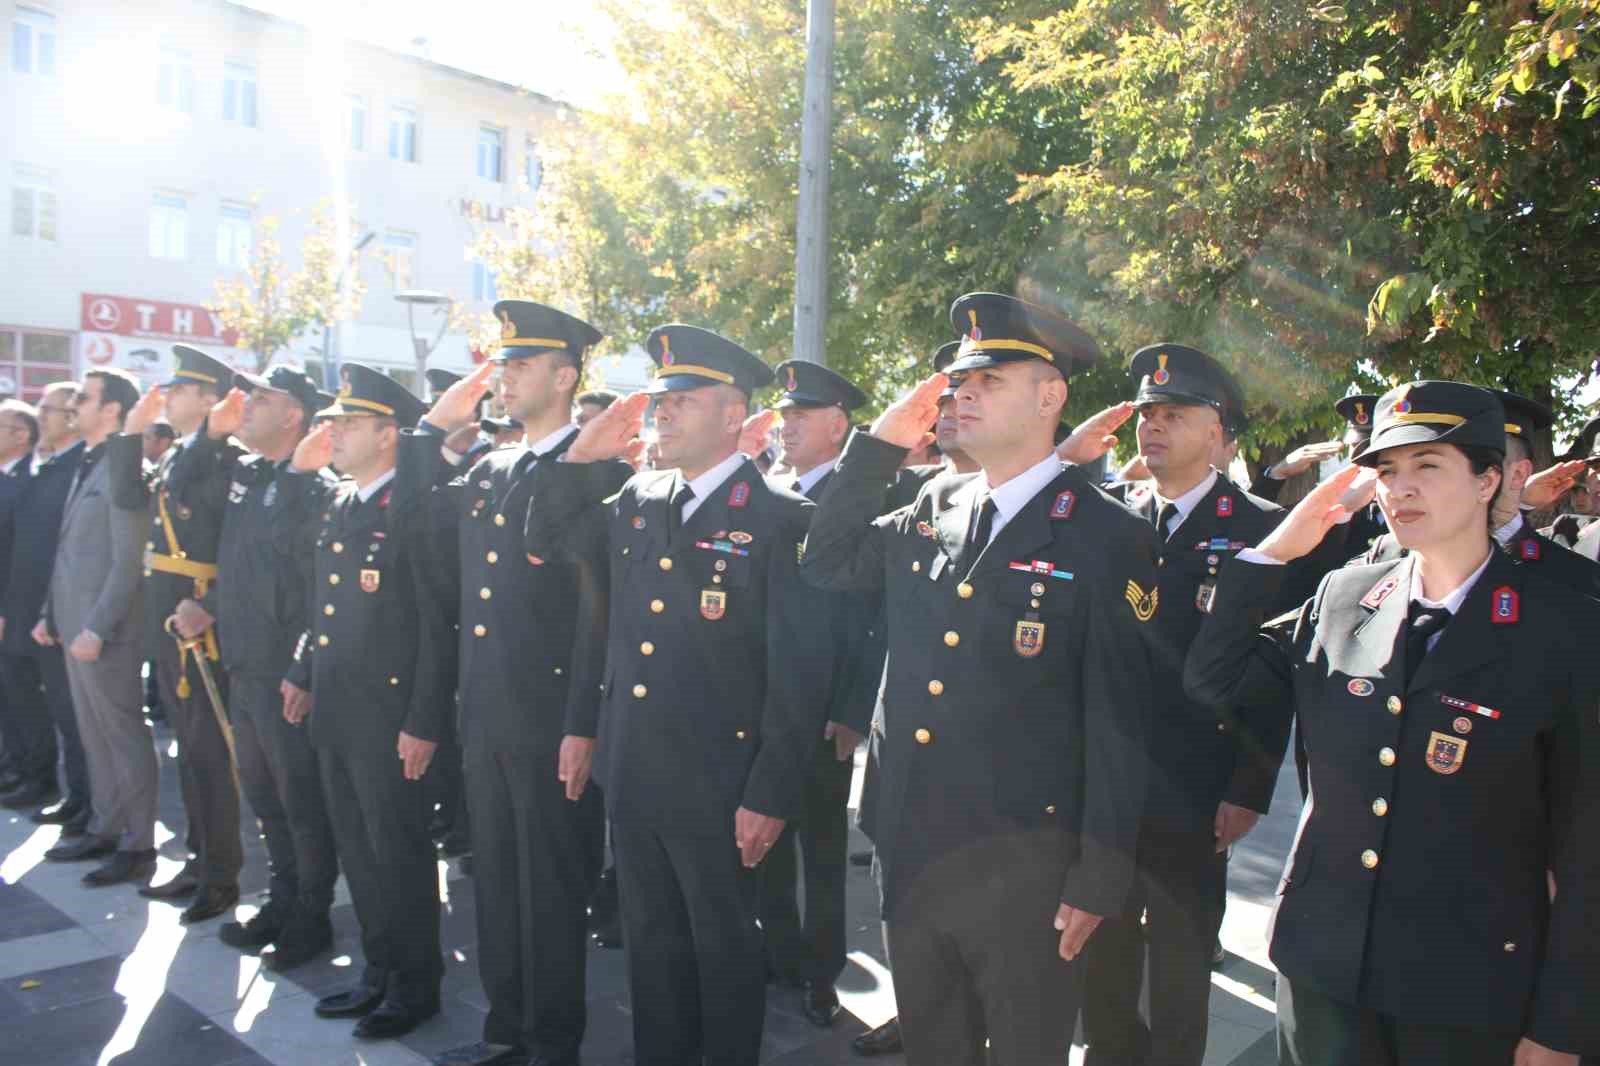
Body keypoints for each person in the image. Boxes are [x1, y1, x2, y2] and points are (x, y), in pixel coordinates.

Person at [1185, 381, 1599, 1066]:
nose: (1399, 488)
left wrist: (1562, 1026)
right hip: (1323, 971)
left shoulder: (1566, 629)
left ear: (1487, 479)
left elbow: (1586, 847)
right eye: (1386, 471)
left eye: (1427, 466)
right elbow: (1212, 682)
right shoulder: (1344, 597)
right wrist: (1274, 554)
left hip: (1464, 989)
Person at [801, 292, 1156, 1066]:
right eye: (957, 384)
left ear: (1050, 396)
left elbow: (1123, 722)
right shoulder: (935, 501)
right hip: (914, 840)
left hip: (1027, 863)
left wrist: (1100, 876)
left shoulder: (1108, 535)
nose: (961, 396)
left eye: (986, 382)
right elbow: (825, 562)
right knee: (935, 1047)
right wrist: (879, 446)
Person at [524, 324, 834, 1066]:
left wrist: (770, 792)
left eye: (683, 401)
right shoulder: (637, 496)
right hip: (635, 770)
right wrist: (581, 452)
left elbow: (800, 676)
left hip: (721, 783)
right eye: (660, 399)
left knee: (724, 949)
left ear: (734, 417)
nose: (662, 412)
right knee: (651, 948)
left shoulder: (782, 520)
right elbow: (550, 542)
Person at [400, 301, 621, 1066]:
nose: (504, 375)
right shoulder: (489, 469)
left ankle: (553, 1041)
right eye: (503, 362)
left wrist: (583, 722)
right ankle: (508, 1030)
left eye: (521, 365)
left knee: (552, 890)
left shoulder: (597, 474)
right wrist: (432, 431)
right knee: (494, 882)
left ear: (565, 377)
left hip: (553, 720)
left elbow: (601, 616)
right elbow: (413, 526)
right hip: (486, 716)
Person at [1078, 344, 1296, 1066]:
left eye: (1176, 414)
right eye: (1147, 414)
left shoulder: (1262, 527)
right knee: (1104, 959)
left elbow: (1270, 674)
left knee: (1179, 967)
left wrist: (1247, 789)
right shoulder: (1114, 518)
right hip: (1110, 783)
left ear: (1219, 434)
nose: (1154, 427)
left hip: (1198, 787)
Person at [285, 363, 448, 1040]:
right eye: (333, 422)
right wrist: (303, 669)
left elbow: (438, 627)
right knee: (358, 849)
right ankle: (378, 970)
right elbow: (321, 607)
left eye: (349, 424)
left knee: (399, 855)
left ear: (389, 435)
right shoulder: (342, 501)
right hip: (340, 711)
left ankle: (415, 985)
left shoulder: (412, 510)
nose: (335, 434)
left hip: (391, 718)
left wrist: (423, 720)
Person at [173, 365, 341, 970]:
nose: (246, 405)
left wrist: (306, 671)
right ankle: (283, 900)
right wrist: (210, 607)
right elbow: (180, 486)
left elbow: (316, 589)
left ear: (294, 414)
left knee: (301, 804)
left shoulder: (315, 488)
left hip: (285, 673)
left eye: (261, 398)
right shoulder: (245, 472)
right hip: (242, 664)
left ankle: (310, 917)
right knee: (266, 801)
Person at [759, 358, 874, 1029]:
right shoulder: (770, 491)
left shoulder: (859, 500)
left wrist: (853, 709)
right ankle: (777, 951)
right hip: (768, 705)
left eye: (800, 416)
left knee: (822, 850)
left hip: (826, 707)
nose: (786, 426)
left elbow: (873, 619)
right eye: (783, 415)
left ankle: (821, 972)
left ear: (838, 426)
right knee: (765, 839)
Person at [112, 346, 243, 922]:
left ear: (212, 400)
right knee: (188, 751)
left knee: (210, 752)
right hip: (167, 620)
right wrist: (128, 435)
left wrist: (209, 605)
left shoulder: (220, 459)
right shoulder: (180, 456)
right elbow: (125, 497)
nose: (169, 394)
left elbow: (235, 549)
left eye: (183, 389)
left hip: (198, 621)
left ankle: (221, 876)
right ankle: (198, 862)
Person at [36, 369, 158, 887]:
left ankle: (138, 842)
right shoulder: (93, 463)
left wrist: (98, 626)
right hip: (74, 622)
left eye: (83, 399)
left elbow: (129, 562)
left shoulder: (122, 468)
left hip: (105, 631)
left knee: (122, 734)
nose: (73, 406)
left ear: (112, 411)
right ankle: (107, 827)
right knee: (93, 734)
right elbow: (69, 549)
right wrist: (49, 612)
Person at [1358, 389, 1600, 598]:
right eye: (1388, 471)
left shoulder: (1573, 577)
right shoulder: (1385, 554)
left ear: (1515, 475)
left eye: (1428, 466)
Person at [10, 384, 90, 837]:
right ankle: (64, 792)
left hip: (60, 612)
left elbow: (65, 551)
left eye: (50, 408)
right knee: (52, 709)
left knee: (73, 716)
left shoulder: (78, 467)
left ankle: (84, 801)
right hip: (32, 608)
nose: (43, 416)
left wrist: (51, 611)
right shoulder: (49, 467)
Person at [0, 400, 54, 811]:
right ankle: (14, 766)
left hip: (14, 607)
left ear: (22, 435)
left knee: (22, 693)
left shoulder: (26, 482)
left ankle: (37, 776)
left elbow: (20, 556)